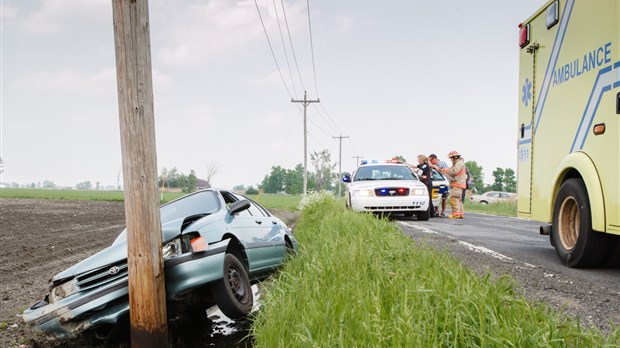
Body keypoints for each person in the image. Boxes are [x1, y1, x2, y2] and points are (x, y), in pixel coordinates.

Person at [440, 150, 467, 219]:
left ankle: (456, 214)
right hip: (459, 184)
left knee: (454, 199)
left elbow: (454, 172)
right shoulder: (459, 163)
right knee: (458, 200)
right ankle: (460, 214)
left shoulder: (458, 164)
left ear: (454, 157)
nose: (451, 160)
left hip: (457, 184)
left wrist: (445, 170)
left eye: (451, 158)